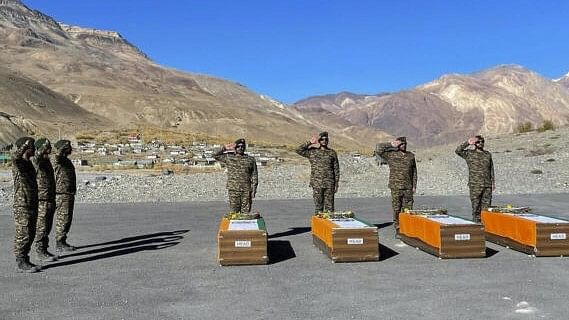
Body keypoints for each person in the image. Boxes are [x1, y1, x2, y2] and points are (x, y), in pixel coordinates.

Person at [376, 137, 417, 235]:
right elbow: (378, 149)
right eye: (401, 144)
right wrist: (391, 144)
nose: (404, 145)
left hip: (408, 186)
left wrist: (414, 185)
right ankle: (397, 225)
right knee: (396, 207)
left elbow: (414, 172)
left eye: (405, 144)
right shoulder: (391, 155)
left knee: (408, 207)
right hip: (395, 186)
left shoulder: (410, 156)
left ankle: (407, 225)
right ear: (398, 145)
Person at [12, 137, 41, 273]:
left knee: (31, 232)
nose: (34, 149)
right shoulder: (18, 163)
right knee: (23, 233)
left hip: (32, 202)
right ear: (25, 149)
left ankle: (25, 258)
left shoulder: (28, 163)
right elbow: (15, 157)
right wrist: (23, 146)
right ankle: (20, 261)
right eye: (32, 147)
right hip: (22, 204)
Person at [296, 132, 340, 214]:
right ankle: (319, 226)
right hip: (317, 183)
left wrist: (336, 184)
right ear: (319, 141)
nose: (324, 141)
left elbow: (336, 169)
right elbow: (298, 150)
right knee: (318, 208)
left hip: (329, 184)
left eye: (326, 139)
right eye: (322, 139)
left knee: (330, 208)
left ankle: (328, 225)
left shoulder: (332, 153)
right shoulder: (313, 151)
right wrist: (309, 142)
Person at [455, 135, 495, 222]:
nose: (480, 143)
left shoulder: (487, 154)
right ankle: (477, 226)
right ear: (474, 143)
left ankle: (486, 226)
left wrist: (493, 182)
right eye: (478, 142)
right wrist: (467, 143)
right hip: (475, 185)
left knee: (486, 209)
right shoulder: (469, 153)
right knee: (476, 208)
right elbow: (458, 151)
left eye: (482, 141)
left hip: (487, 185)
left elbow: (491, 168)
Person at [213, 138, 258, 213]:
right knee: (234, 213)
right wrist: (224, 148)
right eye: (238, 146)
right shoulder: (229, 157)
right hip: (233, 190)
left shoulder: (250, 159)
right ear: (235, 148)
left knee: (245, 213)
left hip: (246, 190)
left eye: (243, 146)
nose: (241, 148)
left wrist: (254, 189)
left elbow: (254, 175)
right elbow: (214, 155)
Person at [32, 138, 58, 262]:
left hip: (49, 197)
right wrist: (42, 147)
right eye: (46, 147)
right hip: (41, 199)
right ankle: (39, 251)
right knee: (41, 226)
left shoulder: (46, 161)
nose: (49, 149)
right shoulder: (36, 160)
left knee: (47, 226)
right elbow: (36, 157)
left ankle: (44, 249)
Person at [53, 140, 77, 251]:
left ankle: (62, 240)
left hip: (68, 192)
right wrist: (60, 150)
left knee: (66, 218)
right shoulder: (58, 160)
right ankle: (59, 242)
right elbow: (56, 158)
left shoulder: (65, 160)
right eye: (68, 147)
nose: (71, 149)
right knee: (63, 218)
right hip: (61, 193)